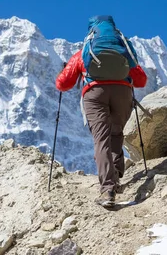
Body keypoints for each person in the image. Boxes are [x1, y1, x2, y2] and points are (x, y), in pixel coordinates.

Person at [56, 15, 147, 208]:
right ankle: (115, 177)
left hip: (95, 93)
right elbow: (141, 81)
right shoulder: (123, 50)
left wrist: (64, 71)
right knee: (115, 133)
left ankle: (107, 189)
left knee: (101, 138)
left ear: (91, 32)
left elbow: (63, 84)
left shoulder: (85, 52)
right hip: (123, 94)